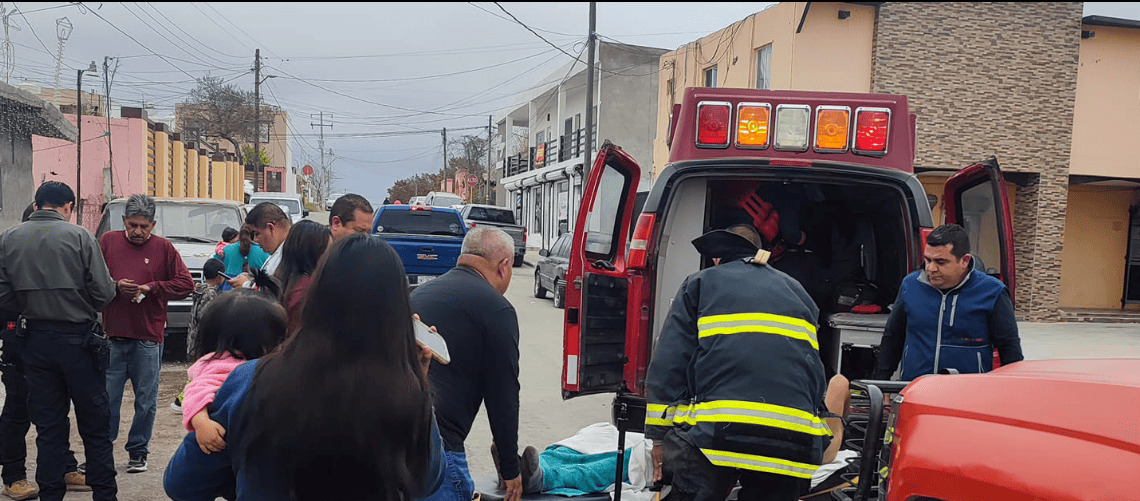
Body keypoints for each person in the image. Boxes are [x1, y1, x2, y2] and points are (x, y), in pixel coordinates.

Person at [164, 234, 444, 501]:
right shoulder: (407, 395)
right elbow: (428, 481)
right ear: (397, 311)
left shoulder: (250, 380)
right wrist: (415, 380)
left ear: (317, 295)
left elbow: (182, 484)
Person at [644, 222, 832, 501]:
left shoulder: (701, 283)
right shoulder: (799, 293)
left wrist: (658, 438)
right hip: (793, 439)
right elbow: (813, 373)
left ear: (718, 258)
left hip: (719, 433)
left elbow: (669, 365)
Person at [0, 182, 119, 501]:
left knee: (49, 429)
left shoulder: (9, 238)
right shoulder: (80, 236)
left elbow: (3, 296)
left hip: (34, 342)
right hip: (79, 342)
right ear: (68, 207)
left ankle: (51, 495)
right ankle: (105, 495)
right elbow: (105, 294)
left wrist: (31, 305)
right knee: (94, 425)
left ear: (37, 205)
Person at [411, 227, 523, 501]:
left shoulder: (417, 294)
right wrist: (510, 467)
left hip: (397, 442)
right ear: (504, 266)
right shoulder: (497, 309)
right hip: (440, 448)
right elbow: (503, 395)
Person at [99, 193, 194, 474]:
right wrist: (115, 286)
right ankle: (101, 451)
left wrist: (151, 288)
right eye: (133, 225)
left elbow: (185, 283)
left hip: (148, 338)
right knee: (107, 399)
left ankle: (138, 452)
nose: (138, 232)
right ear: (124, 221)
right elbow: (92, 277)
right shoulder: (107, 243)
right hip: (113, 335)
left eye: (144, 226)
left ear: (153, 225)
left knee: (146, 401)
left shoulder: (164, 249)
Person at [874, 224, 1023, 380]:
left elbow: (1010, 349)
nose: (931, 268)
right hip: (915, 389)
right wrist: (881, 381)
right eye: (928, 260)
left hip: (966, 394)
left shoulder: (993, 292)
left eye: (941, 262)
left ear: (964, 261)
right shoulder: (911, 285)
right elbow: (893, 337)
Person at [180, 285, 288, 457]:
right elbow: (195, 391)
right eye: (275, 341)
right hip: (220, 443)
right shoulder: (225, 364)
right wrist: (202, 423)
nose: (280, 346)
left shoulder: (241, 360)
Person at [172, 258, 231, 413]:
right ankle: (182, 402)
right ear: (220, 277)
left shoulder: (199, 290)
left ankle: (182, 401)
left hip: (194, 339)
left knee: (198, 373)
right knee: (200, 374)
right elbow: (208, 319)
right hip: (203, 342)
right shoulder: (210, 294)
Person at [275, 220, 331, 333]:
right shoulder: (305, 291)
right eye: (327, 251)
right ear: (313, 252)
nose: (330, 257)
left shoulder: (284, 277)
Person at [245, 202, 292, 276]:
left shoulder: (291, 256)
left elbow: (273, 286)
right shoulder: (279, 252)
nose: (255, 240)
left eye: (257, 233)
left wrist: (246, 284)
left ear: (271, 228)